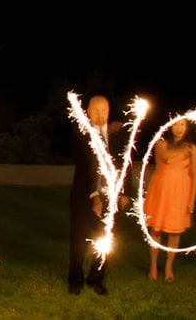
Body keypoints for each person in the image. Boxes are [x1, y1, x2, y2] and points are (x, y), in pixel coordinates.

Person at [68, 94, 129, 296]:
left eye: (104, 110)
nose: (100, 115)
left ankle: (97, 278)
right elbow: (88, 161)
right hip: (84, 197)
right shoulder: (82, 132)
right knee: (79, 240)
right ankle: (75, 279)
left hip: (110, 197)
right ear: (88, 112)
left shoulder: (118, 135)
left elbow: (125, 163)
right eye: (96, 110)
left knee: (106, 239)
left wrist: (125, 192)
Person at [142, 117, 196, 282]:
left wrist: (192, 200)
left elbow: (195, 175)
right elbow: (166, 156)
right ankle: (153, 264)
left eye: (182, 124)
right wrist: (182, 151)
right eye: (175, 124)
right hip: (161, 192)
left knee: (175, 231)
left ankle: (168, 266)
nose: (179, 128)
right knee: (157, 229)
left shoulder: (193, 149)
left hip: (180, 193)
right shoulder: (161, 143)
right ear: (169, 126)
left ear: (187, 127)